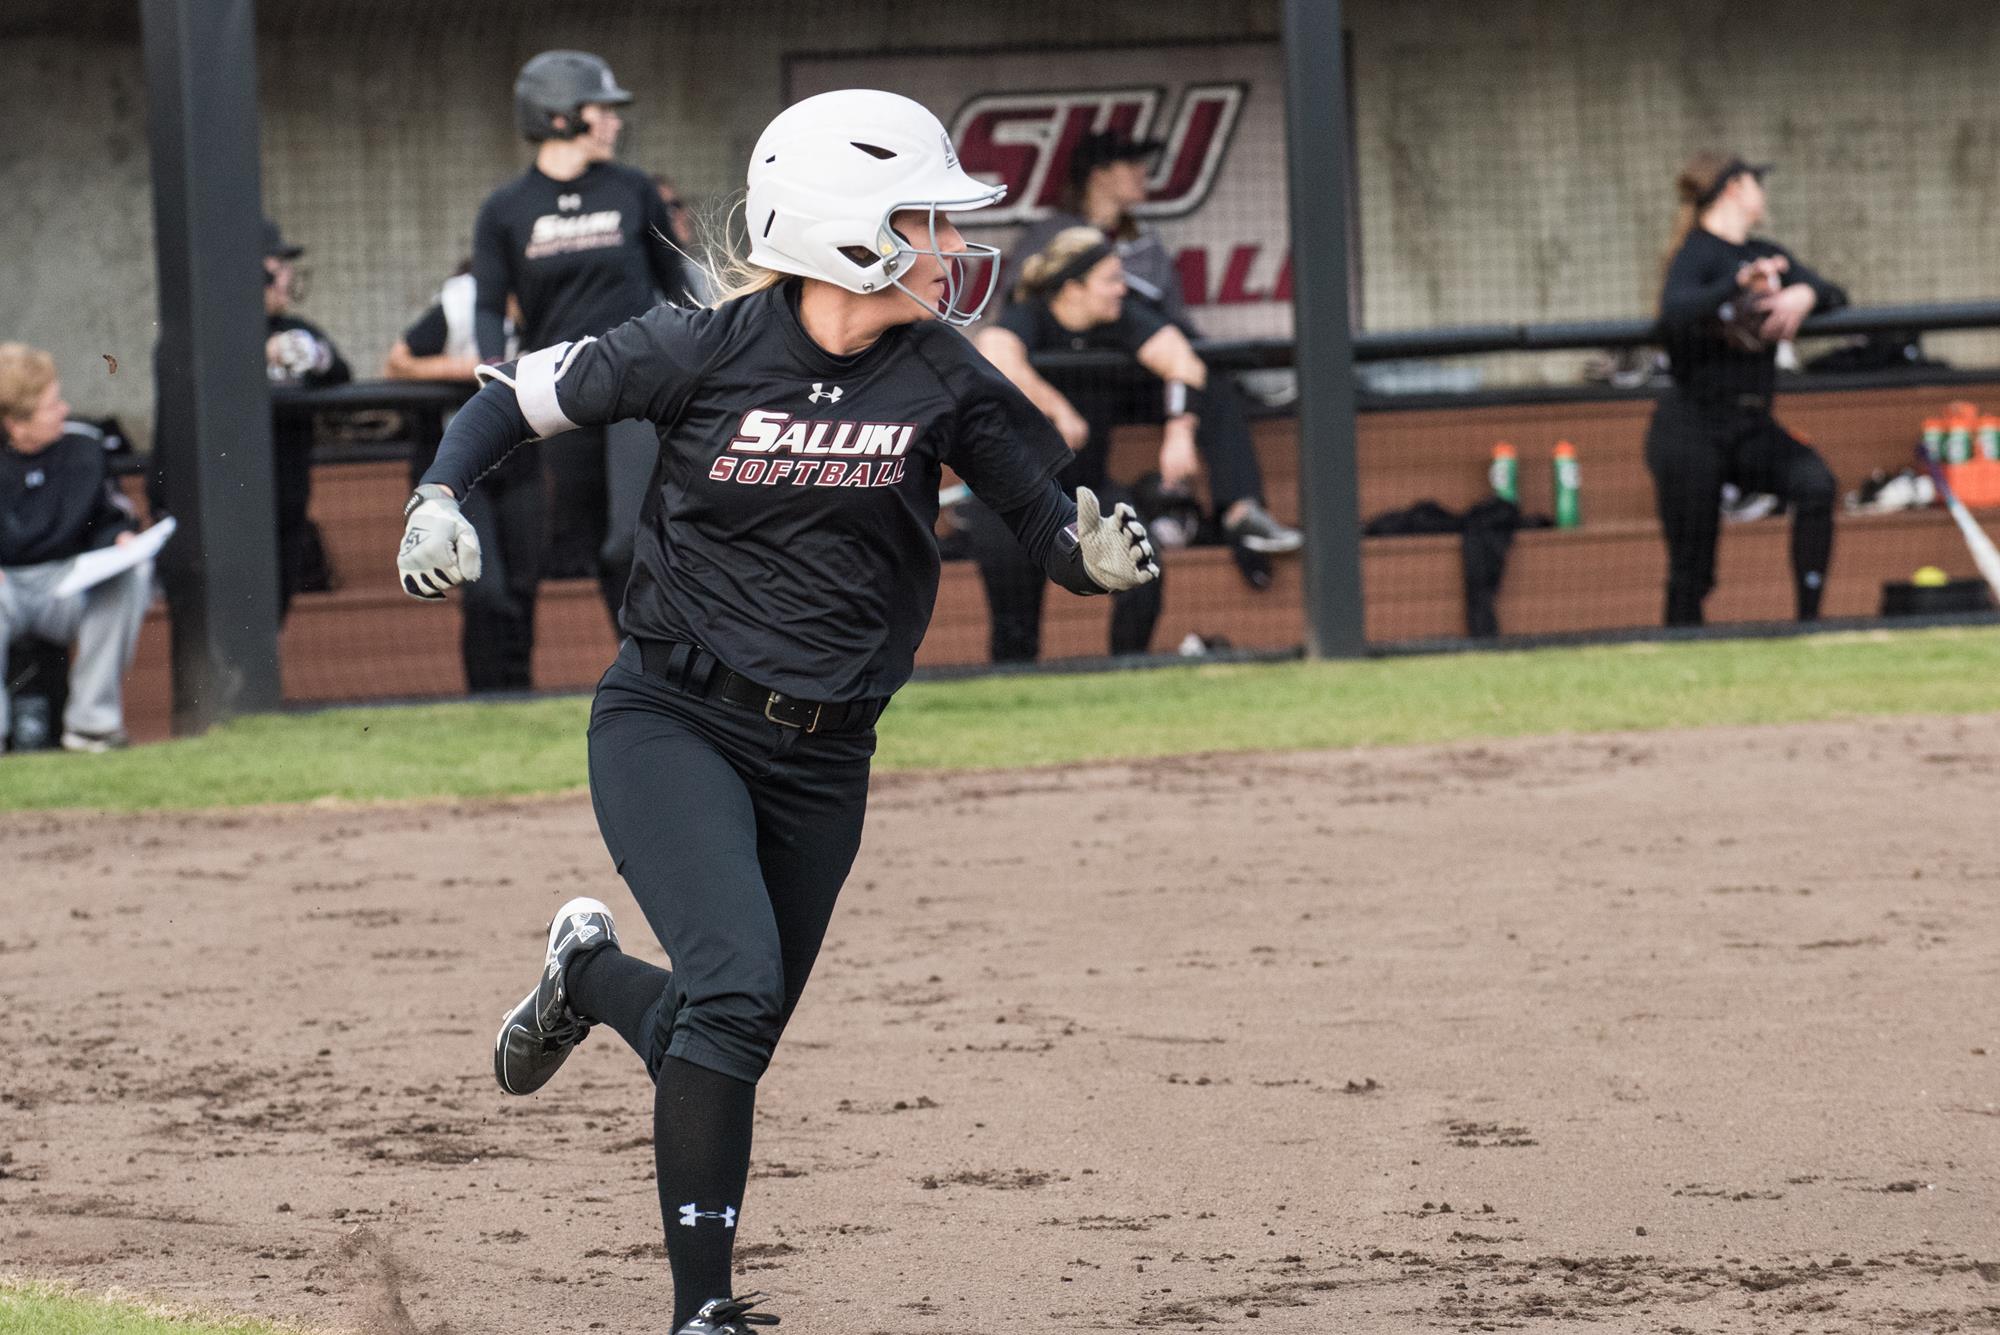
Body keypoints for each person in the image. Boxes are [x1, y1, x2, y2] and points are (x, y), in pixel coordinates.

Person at [396, 89, 1157, 1334]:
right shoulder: (695, 348)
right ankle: (703, 1314)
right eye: (928, 221)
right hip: (670, 721)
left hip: (825, 757)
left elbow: (1039, 515)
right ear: (852, 230)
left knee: (721, 1027)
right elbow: (507, 398)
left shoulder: (942, 374)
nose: (956, 250)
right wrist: (438, 498)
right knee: (737, 995)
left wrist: (1090, 559)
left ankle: (584, 977)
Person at [473, 50, 691, 628]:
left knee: (629, 536)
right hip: (561, 391)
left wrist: (711, 348)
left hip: (636, 381)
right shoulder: (505, 209)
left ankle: (668, 646)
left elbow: (678, 283)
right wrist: (495, 374)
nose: (616, 121)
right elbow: (490, 304)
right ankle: (640, 661)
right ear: (560, 116)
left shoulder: (633, 189)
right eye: (604, 109)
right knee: (595, 542)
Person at [1008, 129, 1300, 556]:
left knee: (1211, 384)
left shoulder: (1144, 242)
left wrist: (1183, 421)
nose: (1144, 174)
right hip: (1068, 385)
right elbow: (1015, 320)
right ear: (1099, 174)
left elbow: (1177, 332)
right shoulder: (1053, 235)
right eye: (1132, 165)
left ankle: (1240, 514)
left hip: (1135, 377)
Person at [967, 225, 1199, 660]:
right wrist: (1057, 406)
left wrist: (1179, 431)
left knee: (1142, 570)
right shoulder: (1031, 313)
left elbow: (1183, 361)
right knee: (1014, 625)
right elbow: (993, 352)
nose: (1122, 288)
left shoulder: (1120, 317)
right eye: (1110, 279)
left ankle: (1127, 675)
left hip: (1088, 489)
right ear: (1073, 287)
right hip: (1015, 496)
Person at [1648, 153, 1847, 626]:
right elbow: (1674, 310)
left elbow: (1834, 291)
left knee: (1815, 484)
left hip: (1750, 422)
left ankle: (1809, 623)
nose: (1763, 192)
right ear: (1734, 187)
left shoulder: (1763, 251)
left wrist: (1805, 294)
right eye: (1756, 182)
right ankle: (1681, 650)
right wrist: (1735, 284)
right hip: (1691, 425)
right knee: (1693, 568)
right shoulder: (1697, 253)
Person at [386, 265, 543, 692]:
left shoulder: (552, 303)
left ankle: (519, 695)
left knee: (523, 585)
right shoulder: (460, 302)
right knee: (484, 588)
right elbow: (398, 361)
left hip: (522, 465)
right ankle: (487, 696)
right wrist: (481, 370)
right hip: (462, 470)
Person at [0, 343, 155, 753]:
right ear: (15, 424)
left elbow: (109, 515)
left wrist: (118, 537)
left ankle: (92, 725)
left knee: (132, 572)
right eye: (51, 406)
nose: (64, 410)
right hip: (5, 588)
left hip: (64, 585)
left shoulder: (84, 447)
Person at [263, 217, 352, 620]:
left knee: (278, 601)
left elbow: (341, 373)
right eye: (279, 267)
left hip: (288, 495)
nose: (287, 277)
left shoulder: (297, 328)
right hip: (231, 502)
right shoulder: (212, 332)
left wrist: (314, 355)